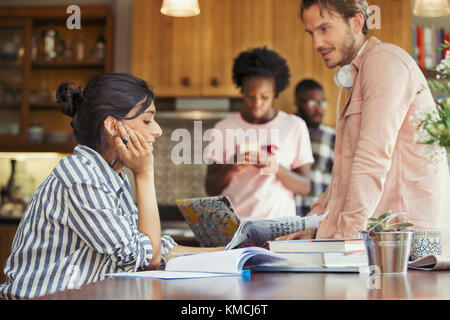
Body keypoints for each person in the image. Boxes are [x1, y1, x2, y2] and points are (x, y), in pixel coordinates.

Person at [0, 73, 221, 299]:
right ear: (113, 126)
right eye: (147, 120)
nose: (158, 130)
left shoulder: (109, 176)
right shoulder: (80, 176)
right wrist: (144, 173)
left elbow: (158, 247)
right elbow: (147, 259)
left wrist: (230, 254)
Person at [280, 0, 450, 256]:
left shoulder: (384, 63)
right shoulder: (360, 75)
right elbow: (345, 176)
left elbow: (372, 159)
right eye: (311, 33)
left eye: (325, 29)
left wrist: (342, 244)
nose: (317, 43)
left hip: (411, 242)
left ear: (357, 22)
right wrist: (312, 224)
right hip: (388, 240)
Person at [205, 47, 314, 219]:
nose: (257, 103)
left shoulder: (294, 126)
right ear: (241, 91)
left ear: (275, 93)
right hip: (236, 228)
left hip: (279, 230)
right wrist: (231, 167)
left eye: (264, 97)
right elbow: (210, 188)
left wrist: (274, 166)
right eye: (250, 96)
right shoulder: (223, 128)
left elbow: (304, 186)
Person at [294, 79, 335, 216]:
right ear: (297, 102)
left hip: (318, 214)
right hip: (287, 212)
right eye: (313, 103)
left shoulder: (332, 136)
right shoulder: (286, 132)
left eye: (322, 102)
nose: (319, 109)